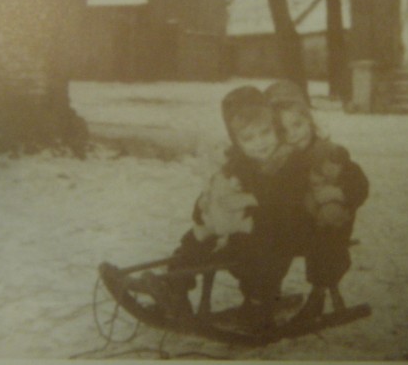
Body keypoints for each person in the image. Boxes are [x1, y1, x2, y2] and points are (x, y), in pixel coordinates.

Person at [146, 85, 302, 329]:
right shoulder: (237, 163)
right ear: (236, 140)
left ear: (276, 129)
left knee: (258, 256)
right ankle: (175, 287)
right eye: (248, 138)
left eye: (265, 132)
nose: (260, 143)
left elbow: (292, 198)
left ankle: (259, 303)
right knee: (195, 239)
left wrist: (253, 199)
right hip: (237, 229)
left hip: (277, 233)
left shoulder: (287, 160)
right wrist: (204, 207)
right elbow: (218, 189)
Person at [264, 80, 369, 322]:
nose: (293, 134)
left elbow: (359, 183)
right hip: (294, 225)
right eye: (282, 131)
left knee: (326, 242)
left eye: (298, 125)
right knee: (265, 239)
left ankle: (318, 293)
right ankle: (264, 293)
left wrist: (339, 193)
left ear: (309, 120)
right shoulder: (279, 158)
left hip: (327, 222)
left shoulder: (329, 153)